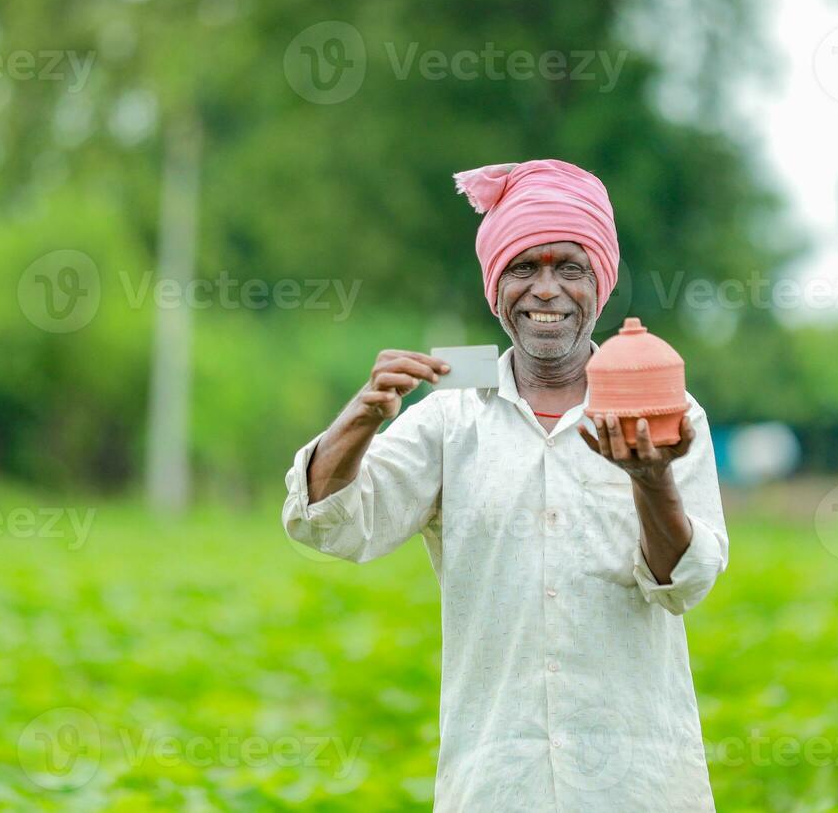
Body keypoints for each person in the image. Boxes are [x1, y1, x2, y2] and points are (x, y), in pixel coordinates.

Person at [283, 159, 728, 811]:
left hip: (637, 786)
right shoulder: (450, 418)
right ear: (495, 289)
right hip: (496, 785)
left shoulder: (665, 412)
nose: (545, 290)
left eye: (569, 267)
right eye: (524, 267)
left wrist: (651, 481)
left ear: (599, 285)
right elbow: (328, 524)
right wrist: (360, 418)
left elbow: (684, 584)